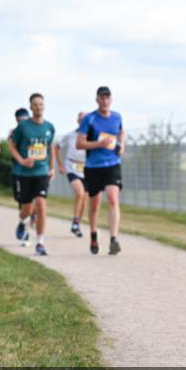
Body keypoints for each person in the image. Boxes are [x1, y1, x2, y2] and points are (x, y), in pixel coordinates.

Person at [77, 87, 124, 255]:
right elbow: (79, 144)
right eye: (102, 98)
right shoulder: (89, 119)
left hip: (112, 164)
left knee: (112, 198)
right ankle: (94, 234)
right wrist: (99, 144)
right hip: (93, 166)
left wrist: (121, 145)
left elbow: (120, 133)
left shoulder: (117, 117)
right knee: (95, 203)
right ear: (97, 100)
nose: (105, 101)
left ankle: (114, 239)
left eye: (107, 98)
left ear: (111, 99)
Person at [9, 93, 56, 256]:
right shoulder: (23, 127)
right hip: (24, 173)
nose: (38, 107)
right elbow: (12, 145)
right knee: (27, 208)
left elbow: (50, 149)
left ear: (44, 106)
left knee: (41, 205)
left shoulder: (49, 127)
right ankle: (23, 221)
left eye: (41, 104)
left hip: (41, 172)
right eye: (35, 104)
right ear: (31, 107)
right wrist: (21, 161)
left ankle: (40, 242)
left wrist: (52, 168)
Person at [54, 111, 88, 237]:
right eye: (81, 118)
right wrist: (60, 165)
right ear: (77, 120)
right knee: (79, 192)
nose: (83, 120)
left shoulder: (92, 135)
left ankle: (77, 224)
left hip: (86, 168)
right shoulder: (70, 135)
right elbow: (56, 146)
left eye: (86, 118)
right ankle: (75, 221)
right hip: (72, 167)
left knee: (84, 197)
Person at [9, 108, 34, 244]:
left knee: (35, 201)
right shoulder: (14, 134)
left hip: (36, 172)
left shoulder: (36, 131)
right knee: (22, 202)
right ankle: (24, 220)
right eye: (20, 121)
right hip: (19, 172)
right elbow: (11, 150)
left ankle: (27, 233)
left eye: (25, 120)